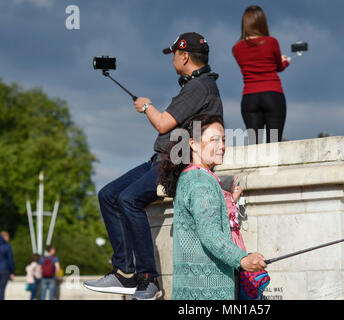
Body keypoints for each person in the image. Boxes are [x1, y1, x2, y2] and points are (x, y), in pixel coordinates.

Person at [84, 32, 224, 300]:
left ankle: (148, 279)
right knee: (107, 195)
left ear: (184, 55)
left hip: (175, 162)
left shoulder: (199, 87)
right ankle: (124, 272)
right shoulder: (199, 85)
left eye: (174, 54)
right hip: (161, 158)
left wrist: (146, 105)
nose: (172, 58)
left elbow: (162, 123)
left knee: (128, 199)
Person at [158, 113, 267, 300]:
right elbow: (210, 233)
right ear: (193, 143)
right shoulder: (201, 181)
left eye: (224, 140)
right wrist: (241, 259)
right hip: (207, 293)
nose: (222, 146)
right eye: (214, 140)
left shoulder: (191, 177)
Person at [232, 5, 290, 144]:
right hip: (273, 95)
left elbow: (250, 67)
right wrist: (285, 62)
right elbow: (277, 67)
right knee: (274, 144)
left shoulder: (236, 48)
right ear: (262, 22)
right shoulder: (272, 43)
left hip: (249, 98)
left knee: (255, 146)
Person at [0, 231, 15, 300]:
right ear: (4, 237)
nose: (8, 238)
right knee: (2, 289)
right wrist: (12, 272)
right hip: (4, 270)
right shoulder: (7, 246)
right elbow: (10, 260)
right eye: (8, 237)